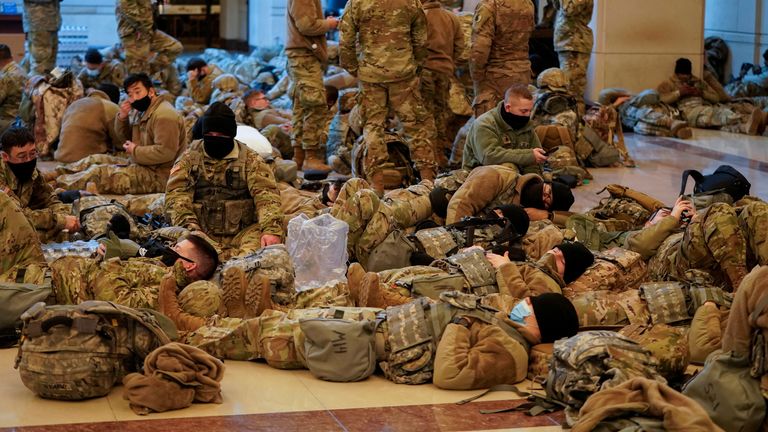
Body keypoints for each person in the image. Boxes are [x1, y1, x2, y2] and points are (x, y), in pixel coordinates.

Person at [339, 0, 437, 193]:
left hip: (370, 75)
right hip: (403, 73)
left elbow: (345, 41)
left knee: (373, 127)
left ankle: (377, 184)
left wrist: (354, 69)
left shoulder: (357, 3)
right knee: (416, 125)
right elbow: (421, 40)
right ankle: (427, 180)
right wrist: (414, 66)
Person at [165, 102, 284, 259]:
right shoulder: (189, 158)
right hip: (200, 231)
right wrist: (191, 228)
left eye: (220, 136)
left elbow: (267, 198)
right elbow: (176, 197)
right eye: (210, 136)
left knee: (255, 259)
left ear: (231, 134)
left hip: (243, 232)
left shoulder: (251, 160)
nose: (215, 140)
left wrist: (271, 230)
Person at [54, 73, 185, 194]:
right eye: (130, 94)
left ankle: (54, 185)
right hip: (142, 164)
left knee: (100, 173)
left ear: (151, 91)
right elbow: (126, 139)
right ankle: (54, 175)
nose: (133, 98)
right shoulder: (144, 110)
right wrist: (122, 118)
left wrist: (135, 150)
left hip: (160, 175)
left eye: (137, 92)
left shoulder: (165, 115)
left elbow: (166, 152)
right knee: (95, 159)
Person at [0, 127, 78, 241]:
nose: (28, 160)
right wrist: (60, 221)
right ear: (5, 156)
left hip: (24, 217)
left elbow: (49, 198)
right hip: (8, 223)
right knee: (30, 237)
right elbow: (18, 215)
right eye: (21, 156)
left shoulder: (29, 169)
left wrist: (64, 216)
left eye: (32, 154)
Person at [285, 0, 337, 172]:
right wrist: (329, 24)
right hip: (304, 57)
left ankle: (298, 157)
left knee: (302, 106)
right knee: (316, 105)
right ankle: (311, 158)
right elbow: (306, 26)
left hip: (302, 57)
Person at [657, 58, 766, 136]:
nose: (685, 79)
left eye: (687, 76)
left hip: (704, 107)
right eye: (682, 77)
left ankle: (747, 127)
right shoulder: (669, 84)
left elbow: (716, 98)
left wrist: (702, 93)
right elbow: (662, 98)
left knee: (720, 122)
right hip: (690, 113)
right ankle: (754, 120)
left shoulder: (697, 81)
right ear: (677, 74)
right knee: (718, 115)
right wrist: (679, 93)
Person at [441, 165, 575, 224]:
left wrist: (549, 216)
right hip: (441, 206)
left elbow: (576, 221)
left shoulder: (530, 209)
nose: (544, 196)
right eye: (548, 191)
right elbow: (459, 206)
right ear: (546, 182)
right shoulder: (497, 177)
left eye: (547, 201)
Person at [470, 0, 535, 117]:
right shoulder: (527, 4)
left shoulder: (489, 6)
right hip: (522, 73)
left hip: (496, 79)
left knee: (490, 126)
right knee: (517, 123)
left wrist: (477, 77)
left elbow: (479, 50)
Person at [462, 84, 546, 173]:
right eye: (524, 111)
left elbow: (535, 161)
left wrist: (535, 181)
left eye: (530, 110)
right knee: (507, 167)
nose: (528, 115)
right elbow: (488, 157)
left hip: (518, 177)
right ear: (508, 107)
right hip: (478, 177)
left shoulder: (526, 125)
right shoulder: (485, 124)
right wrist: (529, 156)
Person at [421, 0, 465, 167]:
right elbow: (460, 47)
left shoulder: (419, 17)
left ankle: (427, 157)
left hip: (424, 72)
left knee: (423, 115)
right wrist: (450, 62)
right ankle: (440, 155)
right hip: (444, 71)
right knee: (440, 113)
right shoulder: (451, 17)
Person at [54, 84, 122, 163]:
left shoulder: (74, 104)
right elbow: (120, 142)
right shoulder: (111, 107)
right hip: (86, 162)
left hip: (62, 159)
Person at [115, 0, 183, 77]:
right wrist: (145, 28)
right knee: (136, 70)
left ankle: (145, 74)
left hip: (148, 30)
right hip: (134, 33)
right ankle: (140, 78)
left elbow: (147, 9)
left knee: (175, 47)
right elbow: (130, 13)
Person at [553, 0, 594, 114]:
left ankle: (577, 128)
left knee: (573, 91)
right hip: (566, 43)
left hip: (575, 44)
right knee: (567, 88)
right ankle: (570, 125)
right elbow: (557, 6)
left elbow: (569, 10)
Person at [22, 0, 61, 74]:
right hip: (39, 22)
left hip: (51, 22)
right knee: (41, 65)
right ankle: (36, 84)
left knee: (50, 63)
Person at [0, 44, 27, 131]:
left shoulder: (6, 77)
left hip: (8, 121)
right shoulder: (21, 71)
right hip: (21, 119)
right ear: (11, 56)